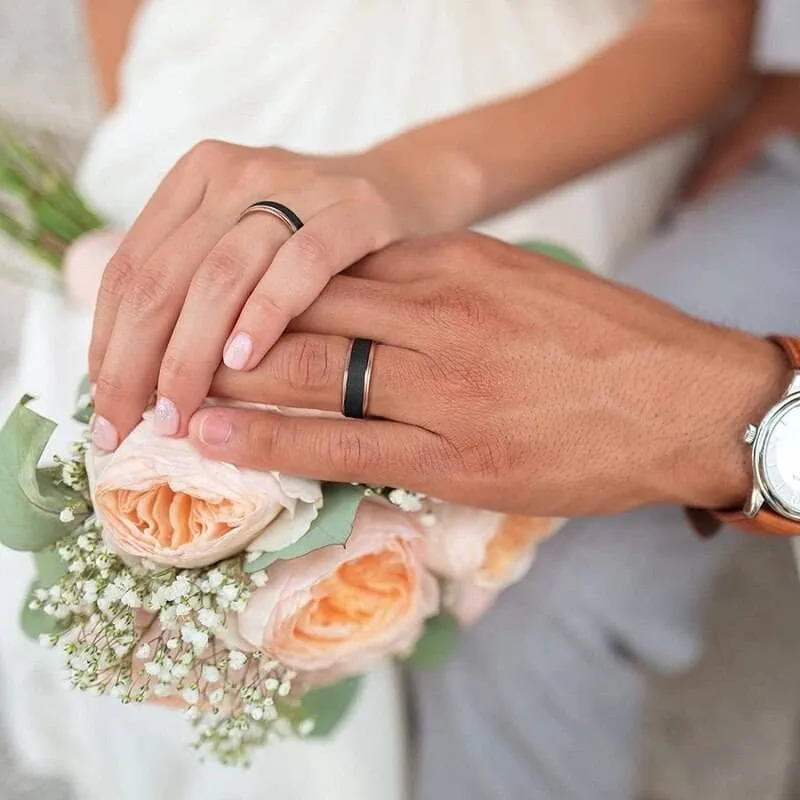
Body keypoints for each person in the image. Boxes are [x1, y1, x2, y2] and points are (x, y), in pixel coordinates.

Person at [0, 1, 767, 799]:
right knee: (120, 415)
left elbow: (703, 34)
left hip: (523, 108)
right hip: (220, 67)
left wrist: (416, 176)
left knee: (394, 438)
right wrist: (156, 109)